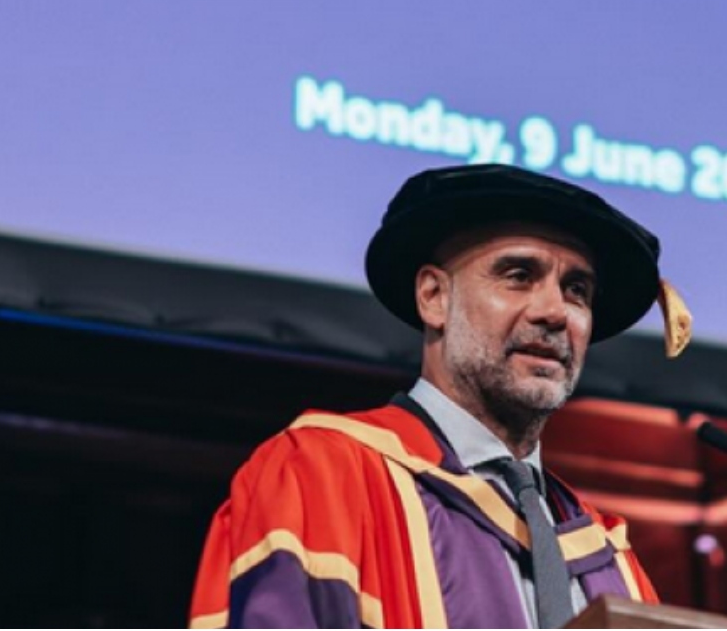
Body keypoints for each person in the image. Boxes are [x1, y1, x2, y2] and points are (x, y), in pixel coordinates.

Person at [190, 163, 692, 629]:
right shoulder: (323, 474)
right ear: (434, 297)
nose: (554, 311)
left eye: (576, 289)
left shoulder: (610, 555)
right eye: (518, 276)